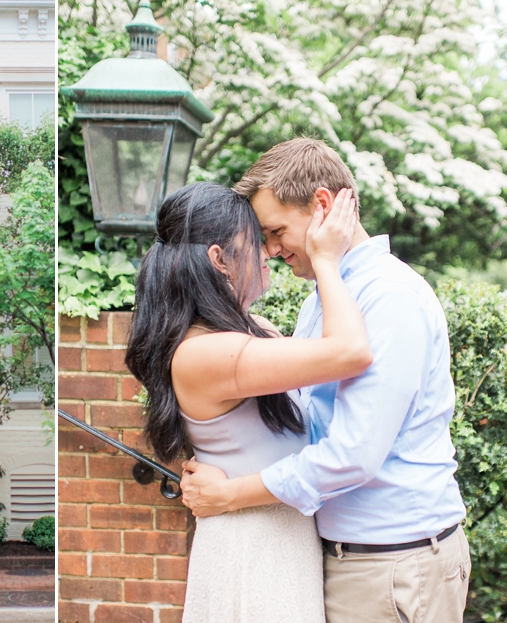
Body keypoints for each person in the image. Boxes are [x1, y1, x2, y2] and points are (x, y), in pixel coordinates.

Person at [179, 138, 470, 623]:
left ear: (321, 206)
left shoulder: (388, 298)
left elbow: (353, 454)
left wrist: (233, 493)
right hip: (344, 557)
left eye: (276, 231)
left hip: (393, 560)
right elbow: (304, 422)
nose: (270, 250)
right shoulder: (323, 298)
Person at [124, 180, 371, 622]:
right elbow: (350, 352)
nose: (267, 252)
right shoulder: (208, 353)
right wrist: (327, 261)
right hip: (252, 551)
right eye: (255, 240)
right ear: (219, 259)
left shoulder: (248, 332)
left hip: (277, 539)